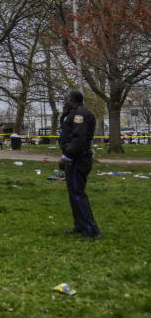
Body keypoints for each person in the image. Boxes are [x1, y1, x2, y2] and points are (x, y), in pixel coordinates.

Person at [58, 90, 100, 239]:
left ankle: (91, 230)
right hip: (75, 158)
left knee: (78, 194)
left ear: (71, 100)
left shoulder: (80, 114)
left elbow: (78, 138)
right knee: (73, 194)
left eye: (67, 100)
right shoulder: (73, 113)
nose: (65, 102)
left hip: (77, 159)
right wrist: (64, 114)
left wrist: (66, 156)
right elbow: (66, 130)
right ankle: (80, 225)